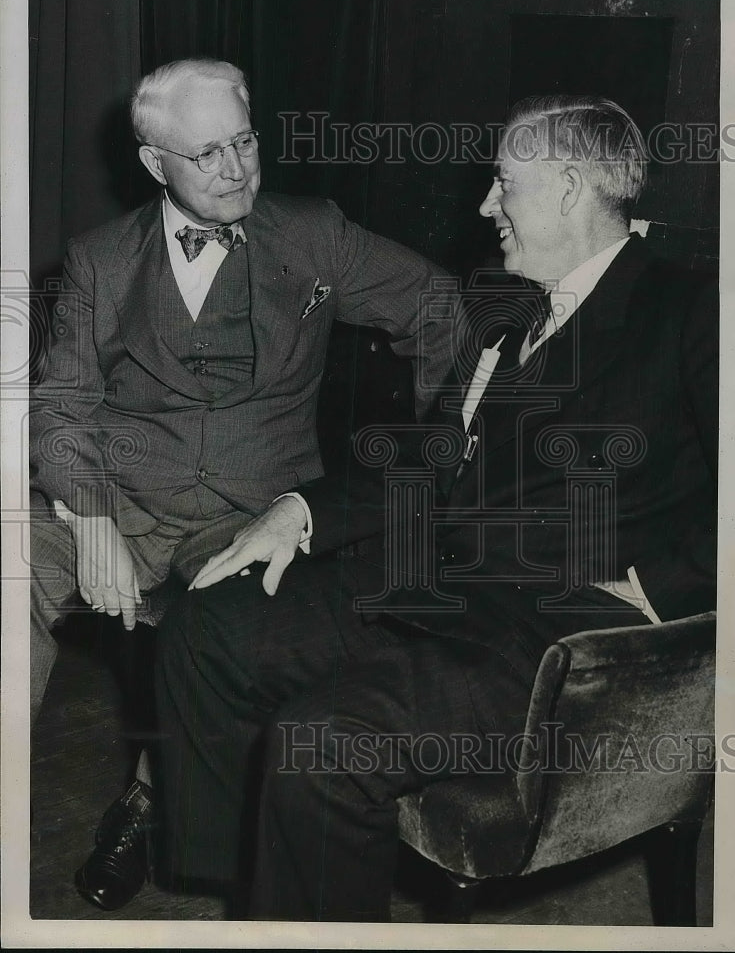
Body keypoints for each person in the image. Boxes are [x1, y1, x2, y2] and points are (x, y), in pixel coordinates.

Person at [155, 94, 717, 920]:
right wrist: (297, 514)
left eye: (502, 184)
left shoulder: (690, 306)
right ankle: (252, 898)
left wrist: (661, 588)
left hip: (558, 626)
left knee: (324, 742)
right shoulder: (508, 306)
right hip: (438, 577)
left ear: (567, 189)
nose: (486, 205)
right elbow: (432, 453)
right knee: (205, 632)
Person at [29, 57, 457, 911]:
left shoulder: (315, 235)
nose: (234, 171)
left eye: (245, 142)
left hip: (249, 517)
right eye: (206, 154)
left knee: (220, 629)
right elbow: (59, 408)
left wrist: (442, 463)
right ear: (155, 163)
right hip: (119, 501)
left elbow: (438, 309)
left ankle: (149, 800)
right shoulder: (98, 261)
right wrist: (89, 518)